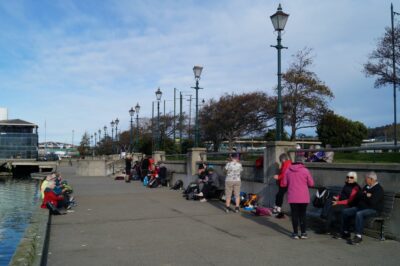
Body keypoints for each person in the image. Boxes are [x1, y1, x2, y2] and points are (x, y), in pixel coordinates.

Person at [337, 171, 384, 245]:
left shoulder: (378, 189)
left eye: (366, 179)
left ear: (371, 179)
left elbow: (372, 202)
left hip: (373, 210)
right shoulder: (366, 187)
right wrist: (366, 195)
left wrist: (364, 195)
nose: (365, 180)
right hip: (362, 207)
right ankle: (345, 232)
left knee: (359, 214)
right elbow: (358, 195)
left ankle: (358, 236)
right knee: (345, 211)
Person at [281, 160, 314, 239]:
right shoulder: (305, 170)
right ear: (301, 163)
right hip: (303, 197)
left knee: (294, 215)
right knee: (302, 215)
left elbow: (284, 183)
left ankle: (295, 233)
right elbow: (311, 184)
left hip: (292, 196)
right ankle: (303, 233)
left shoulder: (288, 171)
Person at [272, 153, 292, 218]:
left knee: (279, 195)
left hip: (284, 183)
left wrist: (278, 177)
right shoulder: (285, 164)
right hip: (282, 182)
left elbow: (284, 173)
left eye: (281, 159)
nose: (281, 161)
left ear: (283, 158)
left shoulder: (287, 164)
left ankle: (278, 208)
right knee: (279, 195)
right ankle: (277, 207)